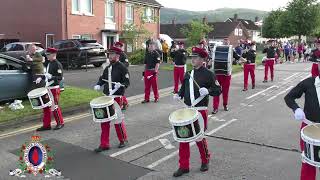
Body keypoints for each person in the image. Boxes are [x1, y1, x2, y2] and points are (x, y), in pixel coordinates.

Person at [173, 47, 221, 177]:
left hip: (200, 111)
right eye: (192, 57)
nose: (192, 59)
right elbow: (183, 90)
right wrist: (178, 95)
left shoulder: (209, 74)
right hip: (187, 110)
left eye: (195, 57)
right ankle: (184, 166)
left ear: (202, 59)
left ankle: (205, 160)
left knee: (199, 138)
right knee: (183, 139)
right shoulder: (188, 74)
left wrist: (208, 91)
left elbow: (218, 90)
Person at [284, 58, 320, 180]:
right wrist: (296, 108)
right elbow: (289, 97)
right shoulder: (308, 83)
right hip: (310, 128)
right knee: (309, 163)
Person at [93, 46, 130, 152]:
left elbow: (127, 82)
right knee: (104, 120)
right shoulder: (107, 68)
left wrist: (121, 85)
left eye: (112, 54)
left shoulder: (122, 67)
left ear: (117, 56)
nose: (110, 56)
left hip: (117, 97)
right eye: (109, 54)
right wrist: (99, 84)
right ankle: (104, 144)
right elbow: (102, 79)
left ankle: (123, 139)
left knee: (117, 120)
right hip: (107, 97)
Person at [36, 48, 64, 131]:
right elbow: (45, 73)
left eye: (48, 54)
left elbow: (60, 78)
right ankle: (46, 125)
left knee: (54, 106)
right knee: (46, 106)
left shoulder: (57, 64)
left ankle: (60, 123)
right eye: (46, 54)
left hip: (54, 88)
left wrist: (52, 77)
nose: (46, 56)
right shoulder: (48, 63)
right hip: (47, 87)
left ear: (53, 54)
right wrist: (41, 78)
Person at [212, 38, 240, 114]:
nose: (225, 43)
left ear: (229, 43)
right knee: (216, 91)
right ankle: (215, 107)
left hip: (227, 74)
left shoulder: (231, 50)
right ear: (223, 43)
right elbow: (213, 58)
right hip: (218, 73)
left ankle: (225, 104)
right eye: (224, 42)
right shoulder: (218, 49)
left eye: (227, 42)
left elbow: (238, 57)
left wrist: (244, 60)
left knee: (225, 91)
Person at [114, 41, 129, 110]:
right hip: (116, 74)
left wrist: (120, 65)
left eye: (118, 46)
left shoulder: (123, 55)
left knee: (121, 90)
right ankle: (124, 103)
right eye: (116, 46)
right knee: (117, 90)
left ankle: (124, 103)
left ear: (120, 47)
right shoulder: (115, 54)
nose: (116, 47)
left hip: (122, 75)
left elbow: (127, 64)